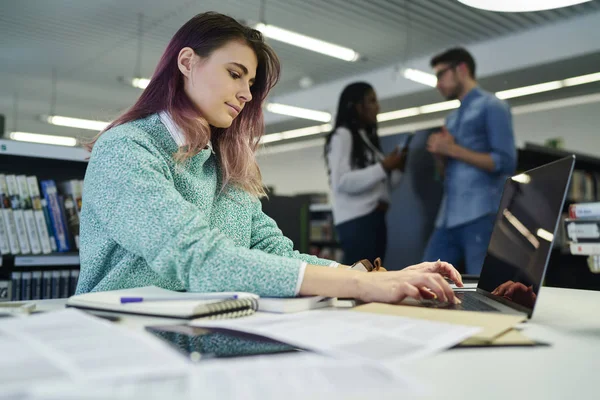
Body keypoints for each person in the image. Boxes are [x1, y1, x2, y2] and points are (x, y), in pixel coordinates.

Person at [78, 12, 462, 305]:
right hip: (125, 340)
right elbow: (198, 258)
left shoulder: (222, 163)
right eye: (235, 74)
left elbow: (274, 251)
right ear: (187, 62)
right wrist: (360, 284)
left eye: (250, 83)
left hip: (206, 329)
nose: (246, 94)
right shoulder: (126, 149)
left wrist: (377, 277)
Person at [424, 48, 517, 275]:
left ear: (462, 69)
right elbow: (446, 173)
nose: (437, 84)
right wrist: (440, 156)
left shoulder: (493, 106)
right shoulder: (452, 118)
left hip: (480, 213)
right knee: (423, 280)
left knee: (483, 287)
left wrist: (452, 149)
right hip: (447, 216)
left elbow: (506, 162)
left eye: (440, 75)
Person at [324, 82, 407, 265]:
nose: (378, 107)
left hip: (374, 219)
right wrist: (384, 166)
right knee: (361, 280)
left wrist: (397, 167)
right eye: (371, 100)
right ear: (356, 106)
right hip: (357, 222)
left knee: (372, 277)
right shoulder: (343, 135)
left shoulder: (366, 139)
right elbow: (342, 182)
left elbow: (385, 186)